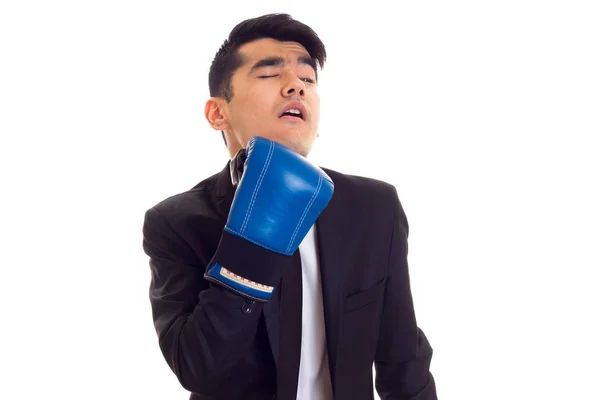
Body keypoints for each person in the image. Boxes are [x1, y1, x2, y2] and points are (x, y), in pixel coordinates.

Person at [142, 13, 437, 400]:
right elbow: (198, 367)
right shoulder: (176, 222)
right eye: (269, 75)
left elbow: (405, 363)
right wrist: (253, 241)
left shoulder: (374, 207)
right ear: (218, 113)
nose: (295, 86)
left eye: (308, 79)